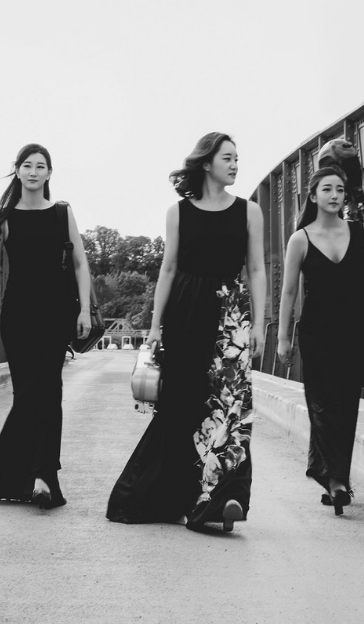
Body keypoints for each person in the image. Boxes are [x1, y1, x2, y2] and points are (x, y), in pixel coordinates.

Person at [107, 132, 266, 533]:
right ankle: (176, 496)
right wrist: (155, 326)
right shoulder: (178, 212)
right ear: (206, 163)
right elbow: (168, 269)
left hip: (231, 319)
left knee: (230, 405)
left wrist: (259, 323)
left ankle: (225, 498)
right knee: (182, 404)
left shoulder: (250, 212)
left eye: (237, 158)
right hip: (186, 313)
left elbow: (256, 269)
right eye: (227, 158)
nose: (235, 165)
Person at [275, 166, 364, 515]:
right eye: (327, 189)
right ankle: (336, 481)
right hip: (316, 334)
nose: (335, 195)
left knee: (346, 405)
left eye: (339, 189)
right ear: (313, 196)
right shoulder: (300, 239)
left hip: (355, 333)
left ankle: (334, 478)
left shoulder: (360, 232)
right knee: (322, 404)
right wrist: (282, 337)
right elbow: (288, 292)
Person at [0, 143, 91, 509]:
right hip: (18, 314)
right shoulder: (4, 217)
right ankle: (11, 474)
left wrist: (84, 311)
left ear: (49, 173)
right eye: (27, 165)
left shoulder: (61, 213)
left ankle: (44, 477)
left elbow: (80, 264)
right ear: (17, 170)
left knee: (50, 391)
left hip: (56, 313)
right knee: (27, 394)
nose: (33, 171)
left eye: (40, 166)